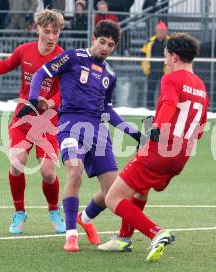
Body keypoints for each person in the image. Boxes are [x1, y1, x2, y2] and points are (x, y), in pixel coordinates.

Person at [18, 20, 142, 252]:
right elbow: (41, 73)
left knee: (113, 192)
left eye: (111, 45)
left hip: (97, 131)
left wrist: (135, 133)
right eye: (102, 42)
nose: (105, 48)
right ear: (93, 39)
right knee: (74, 172)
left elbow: (107, 110)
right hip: (70, 125)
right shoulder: (72, 57)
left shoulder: (110, 75)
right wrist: (34, 101)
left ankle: (85, 219)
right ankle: (71, 235)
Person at [101, 32, 209, 262]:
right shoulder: (201, 86)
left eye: (166, 55)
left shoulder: (171, 78)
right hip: (182, 155)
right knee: (140, 190)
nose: (165, 59)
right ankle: (123, 238)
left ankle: (156, 233)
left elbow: (170, 103)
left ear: (175, 57)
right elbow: (199, 128)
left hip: (160, 149)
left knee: (112, 198)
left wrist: (158, 127)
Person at [0, 9, 66, 235]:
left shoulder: (62, 58)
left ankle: (54, 210)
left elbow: (65, 93)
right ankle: (20, 212)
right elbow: (7, 64)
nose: (51, 37)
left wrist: (49, 104)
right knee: (17, 163)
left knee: (49, 173)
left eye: (56, 32)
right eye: (47, 31)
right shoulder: (25, 51)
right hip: (23, 118)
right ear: (37, 29)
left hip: (48, 122)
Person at [141, 20, 169, 109]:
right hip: (152, 69)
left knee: (164, 91)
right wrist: (145, 68)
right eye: (159, 31)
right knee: (150, 90)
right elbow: (143, 55)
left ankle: (163, 107)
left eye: (162, 31)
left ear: (166, 31)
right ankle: (149, 107)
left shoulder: (170, 42)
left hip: (165, 71)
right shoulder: (150, 42)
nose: (160, 33)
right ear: (156, 31)